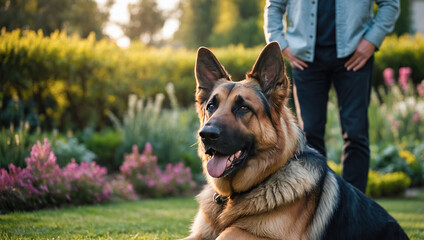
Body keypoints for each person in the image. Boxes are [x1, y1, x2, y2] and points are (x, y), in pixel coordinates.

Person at [264, 0, 400, 193]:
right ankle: (317, 206)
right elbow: (274, 6)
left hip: (355, 57)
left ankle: (353, 209)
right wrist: (281, 45)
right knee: (309, 135)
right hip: (306, 60)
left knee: (355, 133)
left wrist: (371, 41)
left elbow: (390, 4)